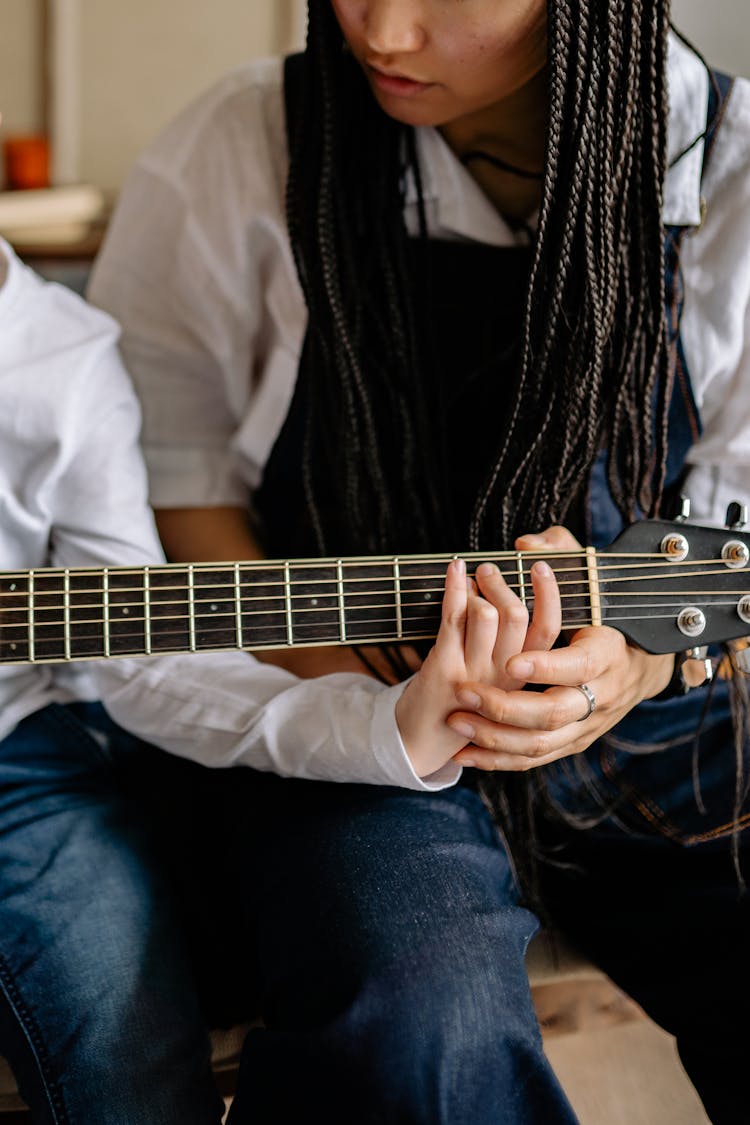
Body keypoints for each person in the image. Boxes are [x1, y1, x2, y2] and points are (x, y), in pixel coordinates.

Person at [89, 1, 750, 1122]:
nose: (384, 32)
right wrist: (372, 702)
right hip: (346, 718)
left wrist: (627, 671)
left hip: (662, 731)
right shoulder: (249, 141)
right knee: (418, 1015)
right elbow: (173, 491)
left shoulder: (731, 169)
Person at [0, 226, 556, 1125]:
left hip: (14, 763)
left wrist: (389, 727)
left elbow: (144, 663)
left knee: (129, 1060)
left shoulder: (62, 365)